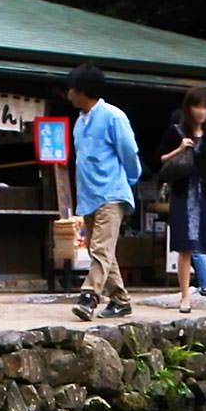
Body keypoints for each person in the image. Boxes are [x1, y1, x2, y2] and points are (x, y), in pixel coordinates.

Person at [65, 63, 141, 321]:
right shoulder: (80, 121)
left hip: (112, 193)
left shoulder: (113, 116)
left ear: (82, 91)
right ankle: (120, 300)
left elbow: (129, 152)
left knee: (100, 248)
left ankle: (89, 296)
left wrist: (130, 179)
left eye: (71, 89)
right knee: (101, 251)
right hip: (88, 195)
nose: (68, 94)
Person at [157, 88, 206, 315]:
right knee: (184, 247)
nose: (201, 112)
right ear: (189, 108)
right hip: (183, 192)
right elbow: (159, 159)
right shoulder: (175, 131)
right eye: (197, 106)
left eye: (205, 107)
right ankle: (185, 296)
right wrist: (180, 149)